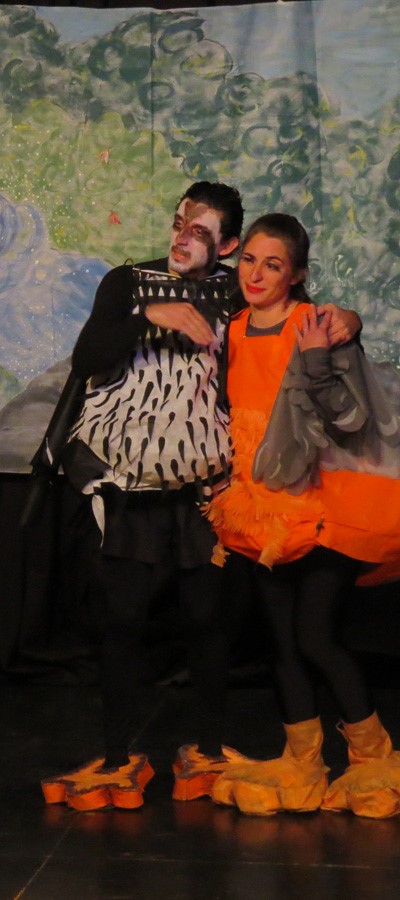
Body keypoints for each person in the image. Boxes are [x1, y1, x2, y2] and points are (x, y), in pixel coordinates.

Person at [39, 183, 363, 811]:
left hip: (205, 488)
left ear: (229, 245)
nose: (183, 238)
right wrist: (147, 317)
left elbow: (302, 317)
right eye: (179, 224)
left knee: (209, 621)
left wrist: (351, 319)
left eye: (201, 231)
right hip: (129, 485)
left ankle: (208, 749)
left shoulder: (235, 291)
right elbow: (88, 356)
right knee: (121, 620)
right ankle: (116, 757)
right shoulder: (128, 282)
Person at [202, 213, 400, 818]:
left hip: (321, 499)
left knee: (315, 633)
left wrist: (325, 347)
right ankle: (303, 760)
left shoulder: (316, 324)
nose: (257, 274)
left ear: (297, 275)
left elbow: (350, 417)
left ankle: (374, 758)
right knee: (282, 640)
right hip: (262, 505)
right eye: (249, 260)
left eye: (274, 265)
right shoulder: (234, 326)